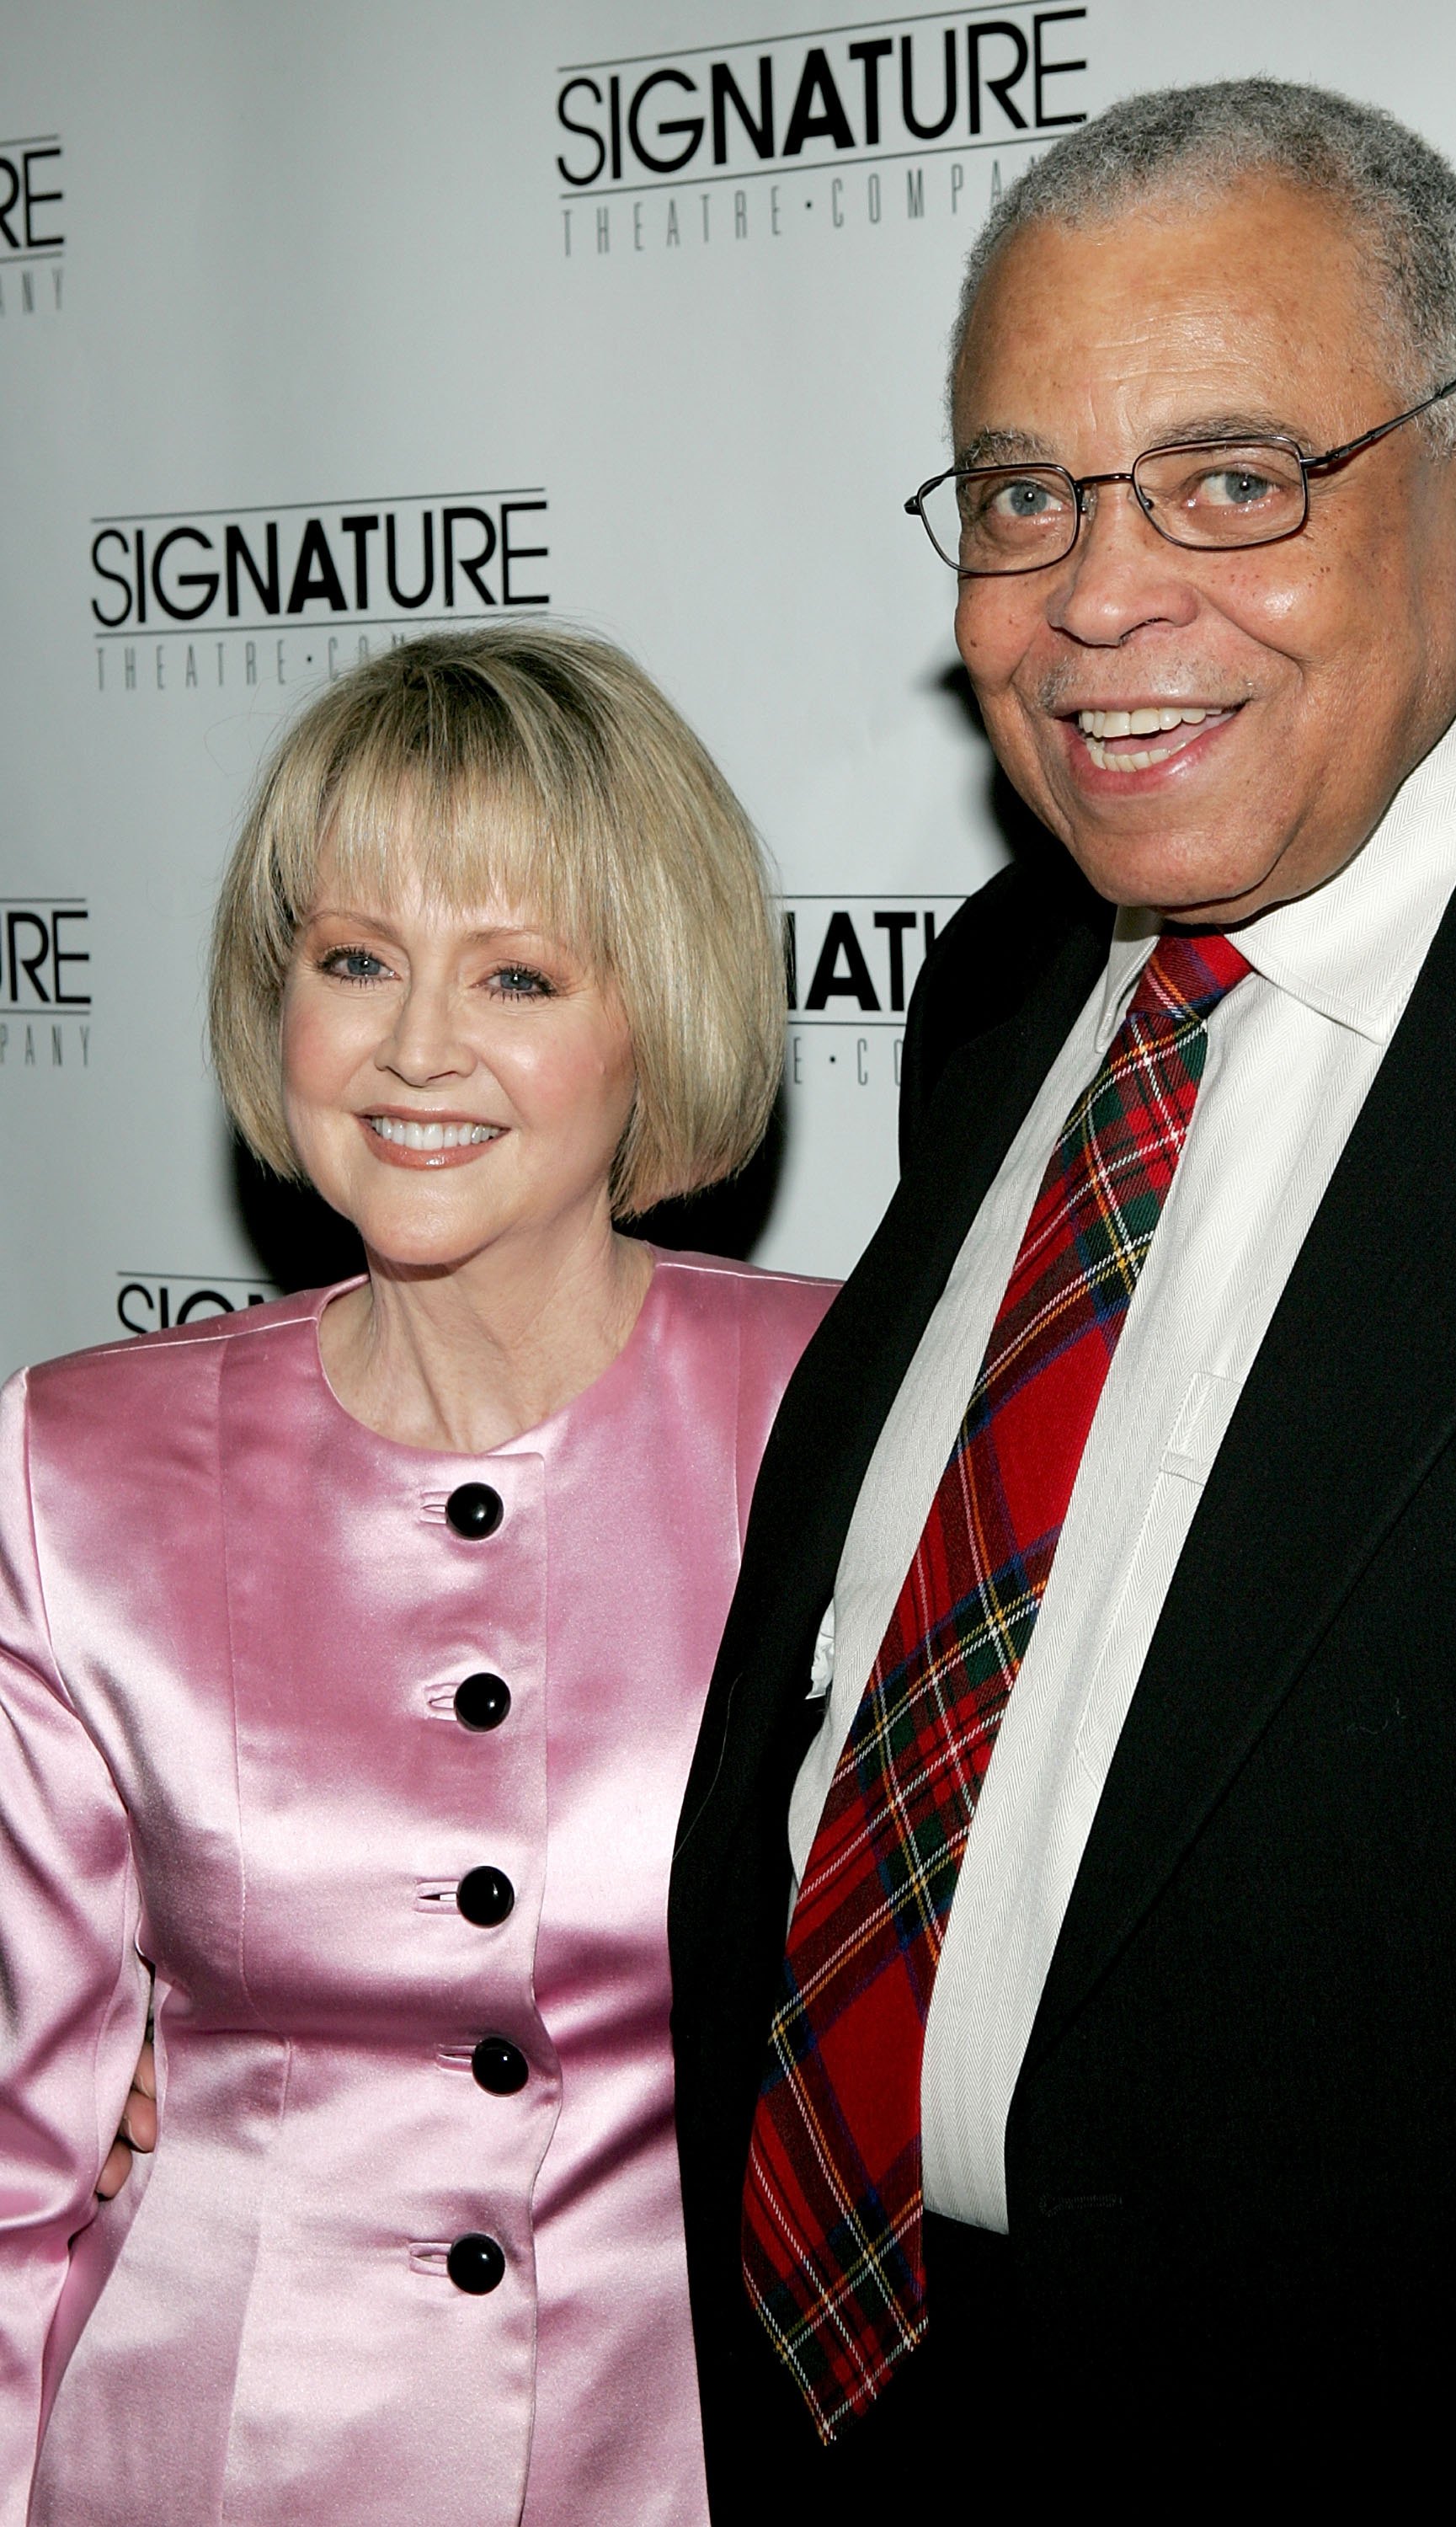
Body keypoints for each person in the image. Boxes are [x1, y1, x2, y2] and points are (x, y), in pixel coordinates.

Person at [668, 78, 1456, 2500]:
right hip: (848, 2388)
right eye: (1023, 493)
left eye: (1233, 478)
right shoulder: (1003, 980)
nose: (1097, 593)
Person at [0, 624, 833, 2524]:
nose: (417, 1048)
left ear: (660, 1014)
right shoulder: (72, 1469)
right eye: (353, 959)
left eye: (518, 973)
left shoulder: (850, 1417)